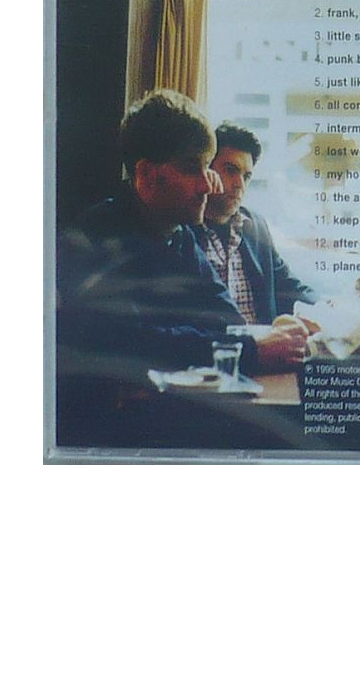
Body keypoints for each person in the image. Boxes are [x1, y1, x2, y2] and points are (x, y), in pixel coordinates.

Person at [56, 92, 250, 441]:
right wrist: (245, 350)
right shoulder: (94, 239)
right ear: (146, 174)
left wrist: (167, 338)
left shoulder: (180, 235)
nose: (208, 184)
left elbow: (227, 319)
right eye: (191, 168)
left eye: (208, 167)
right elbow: (131, 346)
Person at [195, 121, 317, 371]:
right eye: (230, 170)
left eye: (246, 175)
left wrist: (332, 311)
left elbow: (289, 286)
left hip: (269, 360)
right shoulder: (182, 230)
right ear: (206, 171)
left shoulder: (255, 226)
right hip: (209, 364)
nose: (240, 184)